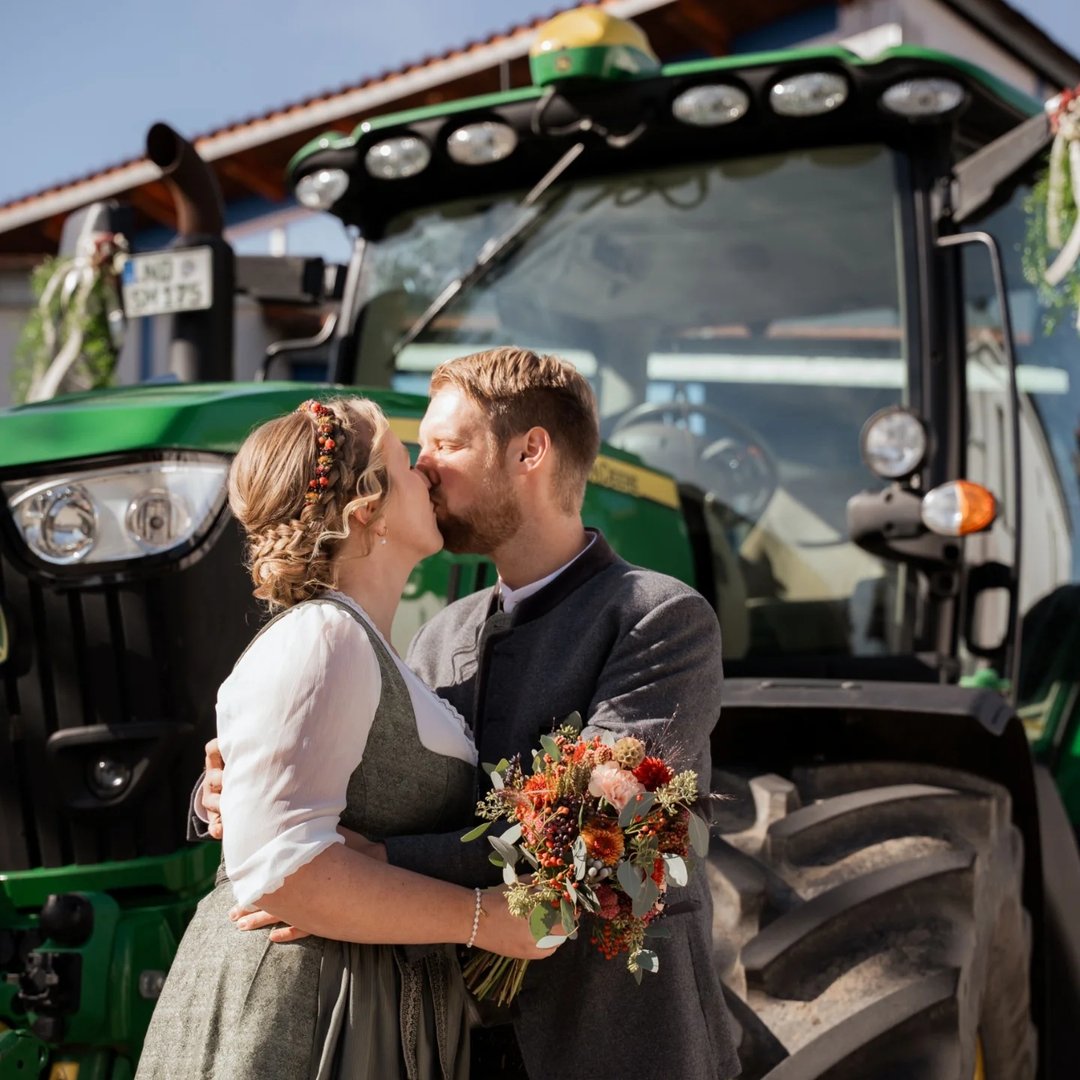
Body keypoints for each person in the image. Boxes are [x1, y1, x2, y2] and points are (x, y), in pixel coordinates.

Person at [204, 349, 741, 1080]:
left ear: (529, 452)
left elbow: (600, 823)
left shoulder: (658, 617)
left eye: (446, 445)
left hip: (616, 1041)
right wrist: (238, 786)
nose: (423, 468)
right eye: (418, 449)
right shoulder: (438, 635)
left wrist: (372, 864)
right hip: (443, 1043)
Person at [137, 397, 557, 1080]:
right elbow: (283, 870)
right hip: (296, 1010)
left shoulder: (374, 646)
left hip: (360, 996)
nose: (426, 472)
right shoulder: (323, 636)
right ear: (368, 510)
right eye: (405, 460)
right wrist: (484, 917)